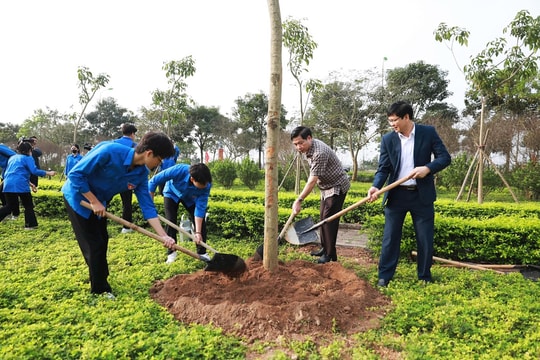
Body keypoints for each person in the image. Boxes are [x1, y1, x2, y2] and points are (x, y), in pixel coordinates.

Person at [62, 131, 177, 299]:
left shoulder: (140, 175)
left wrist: (163, 236)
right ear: (149, 153)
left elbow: (148, 208)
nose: (158, 165)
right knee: (94, 245)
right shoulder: (109, 152)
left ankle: (99, 275)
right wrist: (93, 201)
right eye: (159, 160)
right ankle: (100, 290)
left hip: (100, 203)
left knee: (103, 240)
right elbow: (75, 175)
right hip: (79, 198)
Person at [367, 101, 451, 287]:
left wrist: (427, 168)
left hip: (421, 195)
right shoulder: (388, 139)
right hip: (396, 195)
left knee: (425, 238)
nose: (392, 124)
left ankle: (424, 276)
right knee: (390, 237)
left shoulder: (427, 133)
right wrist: (375, 186)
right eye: (389, 121)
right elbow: (384, 168)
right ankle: (385, 275)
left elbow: (445, 158)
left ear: (406, 117)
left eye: (394, 120)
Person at [291, 126, 350, 264]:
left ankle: (330, 255)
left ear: (309, 138)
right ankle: (325, 248)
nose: (298, 147)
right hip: (326, 187)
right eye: (295, 144)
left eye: (301, 143)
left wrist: (299, 200)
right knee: (323, 217)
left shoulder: (319, 152)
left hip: (337, 186)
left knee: (329, 220)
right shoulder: (308, 149)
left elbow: (312, 180)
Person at [148, 163, 212, 264]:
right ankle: (171, 253)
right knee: (170, 221)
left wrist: (198, 233)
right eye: (202, 185)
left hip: (190, 198)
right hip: (171, 193)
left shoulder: (206, 185)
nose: (205, 187)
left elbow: (200, 208)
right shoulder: (179, 170)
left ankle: (202, 253)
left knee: (201, 222)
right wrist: (149, 207)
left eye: (206, 184)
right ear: (192, 179)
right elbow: (153, 182)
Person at [0, 141, 55, 229]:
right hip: (20, 185)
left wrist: (30, 183)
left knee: (10, 206)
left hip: (8, 183)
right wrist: (48, 172)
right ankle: (30, 225)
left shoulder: (13, 158)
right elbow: (34, 171)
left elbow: (15, 173)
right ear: (29, 150)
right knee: (28, 205)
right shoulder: (28, 158)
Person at [113, 123, 138, 234]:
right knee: (126, 203)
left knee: (103, 201)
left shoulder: (113, 143)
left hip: (111, 178)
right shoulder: (135, 146)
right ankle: (126, 227)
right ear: (132, 134)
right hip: (127, 180)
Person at [0, 143, 18, 219]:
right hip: (5, 173)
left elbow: (14, 155)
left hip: (10, 173)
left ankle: (14, 213)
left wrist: (10, 168)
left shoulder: (0, 147)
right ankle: (8, 213)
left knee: (9, 196)